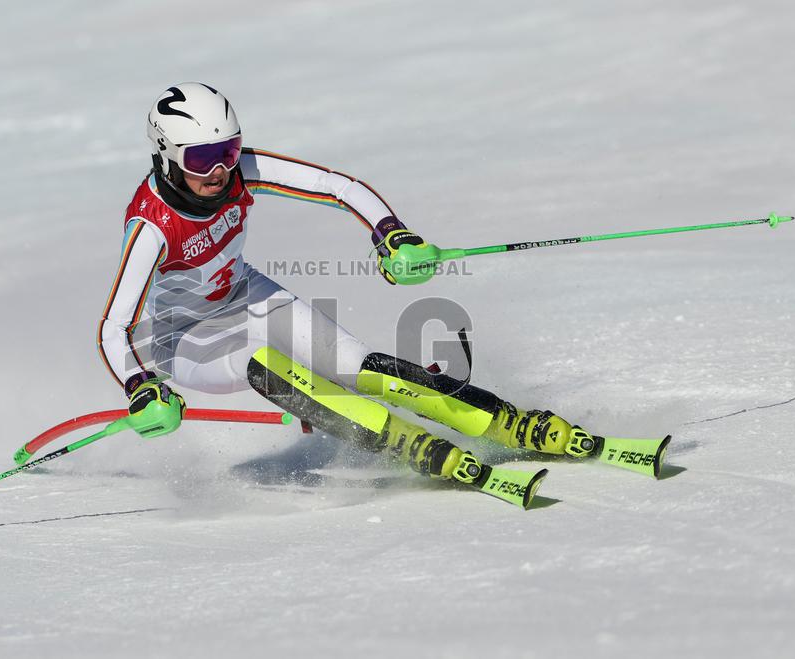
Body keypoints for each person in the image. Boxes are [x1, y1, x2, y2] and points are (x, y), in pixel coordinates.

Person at [97, 82, 598, 491]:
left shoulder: (241, 172)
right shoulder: (153, 227)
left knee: (358, 367)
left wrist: (392, 235)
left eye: (228, 151)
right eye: (204, 158)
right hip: (183, 339)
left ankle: (508, 422)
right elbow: (114, 328)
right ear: (167, 155)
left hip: (245, 295)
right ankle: (406, 444)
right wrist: (142, 388)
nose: (222, 170)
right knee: (268, 366)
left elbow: (338, 186)